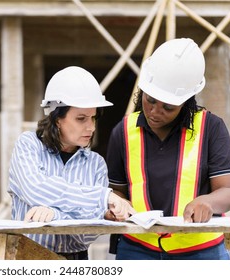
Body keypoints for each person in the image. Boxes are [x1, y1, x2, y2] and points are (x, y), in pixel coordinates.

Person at [106, 38, 230, 260]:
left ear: (186, 102)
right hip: (137, 250)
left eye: (168, 107)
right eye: (150, 100)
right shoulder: (123, 131)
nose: (155, 111)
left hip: (200, 252)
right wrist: (114, 206)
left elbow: (228, 191)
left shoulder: (210, 128)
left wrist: (207, 201)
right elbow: (116, 191)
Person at [8, 66, 135, 260]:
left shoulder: (96, 164)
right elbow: (36, 189)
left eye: (93, 118)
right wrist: (102, 197)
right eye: (81, 119)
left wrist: (55, 216)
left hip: (76, 260)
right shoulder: (28, 145)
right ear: (57, 118)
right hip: (27, 257)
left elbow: (88, 233)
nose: (91, 127)